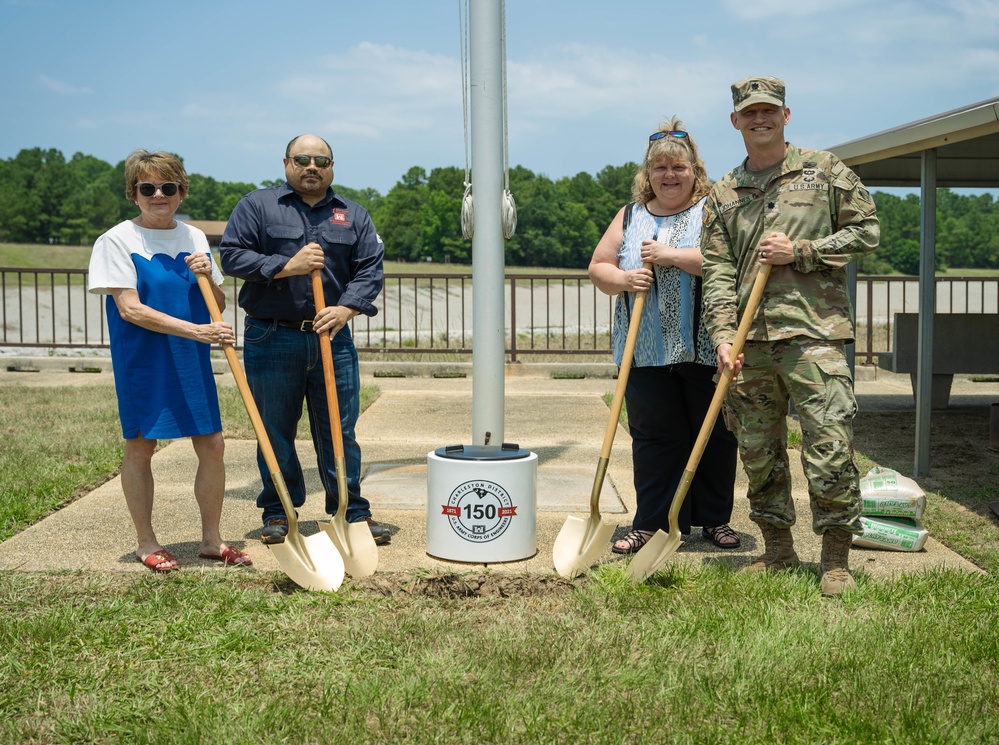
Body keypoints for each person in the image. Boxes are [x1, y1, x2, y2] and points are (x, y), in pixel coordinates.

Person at [700, 76, 880, 596]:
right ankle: (778, 551)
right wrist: (722, 336)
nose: (760, 119)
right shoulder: (723, 193)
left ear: (786, 115)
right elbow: (715, 271)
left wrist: (801, 251)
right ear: (736, 121)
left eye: (769, 111)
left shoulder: (823, 171)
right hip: (749, 345)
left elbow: (866, 229)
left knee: (829, 448)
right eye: (750, 112)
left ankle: (836, 560)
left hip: (813, 336)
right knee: (758, 451)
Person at [219, 134, 389, 546]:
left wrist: (347, 308)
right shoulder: (257, 206)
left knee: (339, 429)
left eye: (321, 160)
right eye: (303, 159)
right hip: (272, 334)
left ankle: (350, 511)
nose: (312, 166)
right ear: (286, 163)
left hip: (332, 336)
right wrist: (287, 265)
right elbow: (232, 255)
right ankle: (278, 511)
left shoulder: (352, 214)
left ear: (331, 166)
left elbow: (369, 268)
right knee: (275, 429)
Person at [88, 149, 252, 572]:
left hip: (189, 357)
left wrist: (207, 273)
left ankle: (212, 540)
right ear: (134, 193)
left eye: (168, 187)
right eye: (148, 188)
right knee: (142, 446)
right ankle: (146, 542)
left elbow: (216, 303)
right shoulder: (116, 240)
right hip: (143, 359)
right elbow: (131, 309)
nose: (158, 194)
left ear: (181, 192)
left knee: (213, 445)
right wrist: (197, 331)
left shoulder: (195, 237)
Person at [588, 118, 740, 555]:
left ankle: (713, 520)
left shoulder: (713, 210)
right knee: (654, 436)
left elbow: (726, 262)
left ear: (696, 170)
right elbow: (599, 266)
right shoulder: (631, 214)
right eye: (660, 168)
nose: (669, 176)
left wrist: (671, 256)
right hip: (644, 348)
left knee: (712, 434)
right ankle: (651, 523)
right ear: (647, 174)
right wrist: (624, 279)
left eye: (679, 167)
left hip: (705, 346)